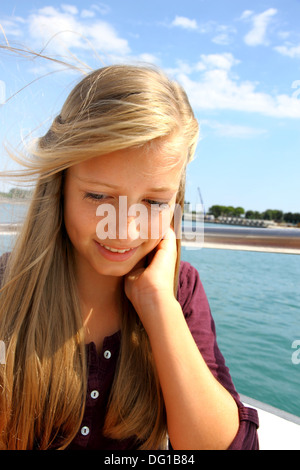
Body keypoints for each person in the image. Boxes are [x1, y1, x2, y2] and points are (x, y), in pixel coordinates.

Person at [0, 64, 259, 450]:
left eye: (153, 202)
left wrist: (158, 307)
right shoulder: (7, 287)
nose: (125, 230)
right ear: (60, 185)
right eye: (99, 196)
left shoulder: (180, 290)